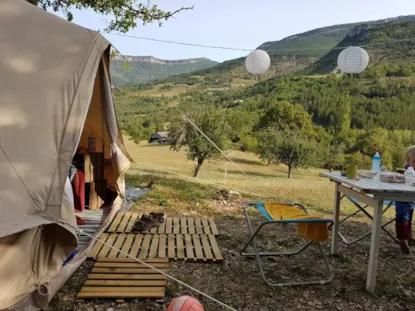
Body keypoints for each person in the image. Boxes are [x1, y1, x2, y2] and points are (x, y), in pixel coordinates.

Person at [395, 145, 415, 254]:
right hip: (401, 196)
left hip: (411, 198)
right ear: (408, 161)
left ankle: (408, 236)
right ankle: (402, 240)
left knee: (409, 217)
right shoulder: (408, 170)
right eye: (414, 161)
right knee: (403, 217)